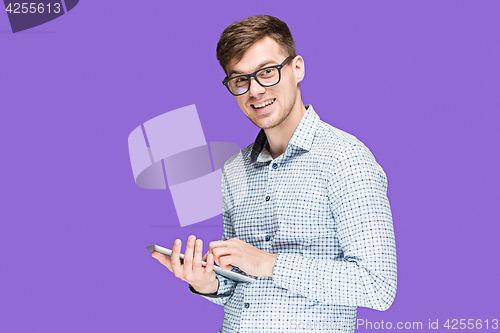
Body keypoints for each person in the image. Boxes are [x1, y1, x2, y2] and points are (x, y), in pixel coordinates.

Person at [151, 15, 397, 332]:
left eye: (267, 72)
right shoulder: (234, 170)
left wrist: (269, 264)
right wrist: (207, 283)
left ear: (297, 69)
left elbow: (377, 286)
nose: (255, 90)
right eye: (240, 80)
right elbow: (239, 284)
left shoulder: (345, 158)